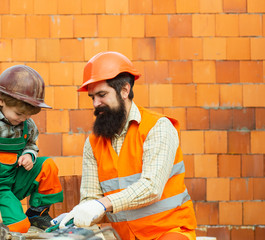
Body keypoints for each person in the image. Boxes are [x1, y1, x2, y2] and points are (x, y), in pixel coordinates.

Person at [59, 52, 197, 240]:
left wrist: (102, 204)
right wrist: (80, 213)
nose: (95, 103)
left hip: (169, 232)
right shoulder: (93, 143)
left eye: (102, 95)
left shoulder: (157, 128)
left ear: (124, 90)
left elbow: (151, 188)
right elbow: (92, 198)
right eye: (92, 97)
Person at [0, 65, 64, 240]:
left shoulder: (27, 125)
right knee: (19, 227)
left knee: (48, 166)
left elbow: (31, 145)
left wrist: (29, 155)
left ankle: (37, 212)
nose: (23, 119)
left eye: (28, 116)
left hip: (13, 178)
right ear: (1, 100)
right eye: (19, 114)